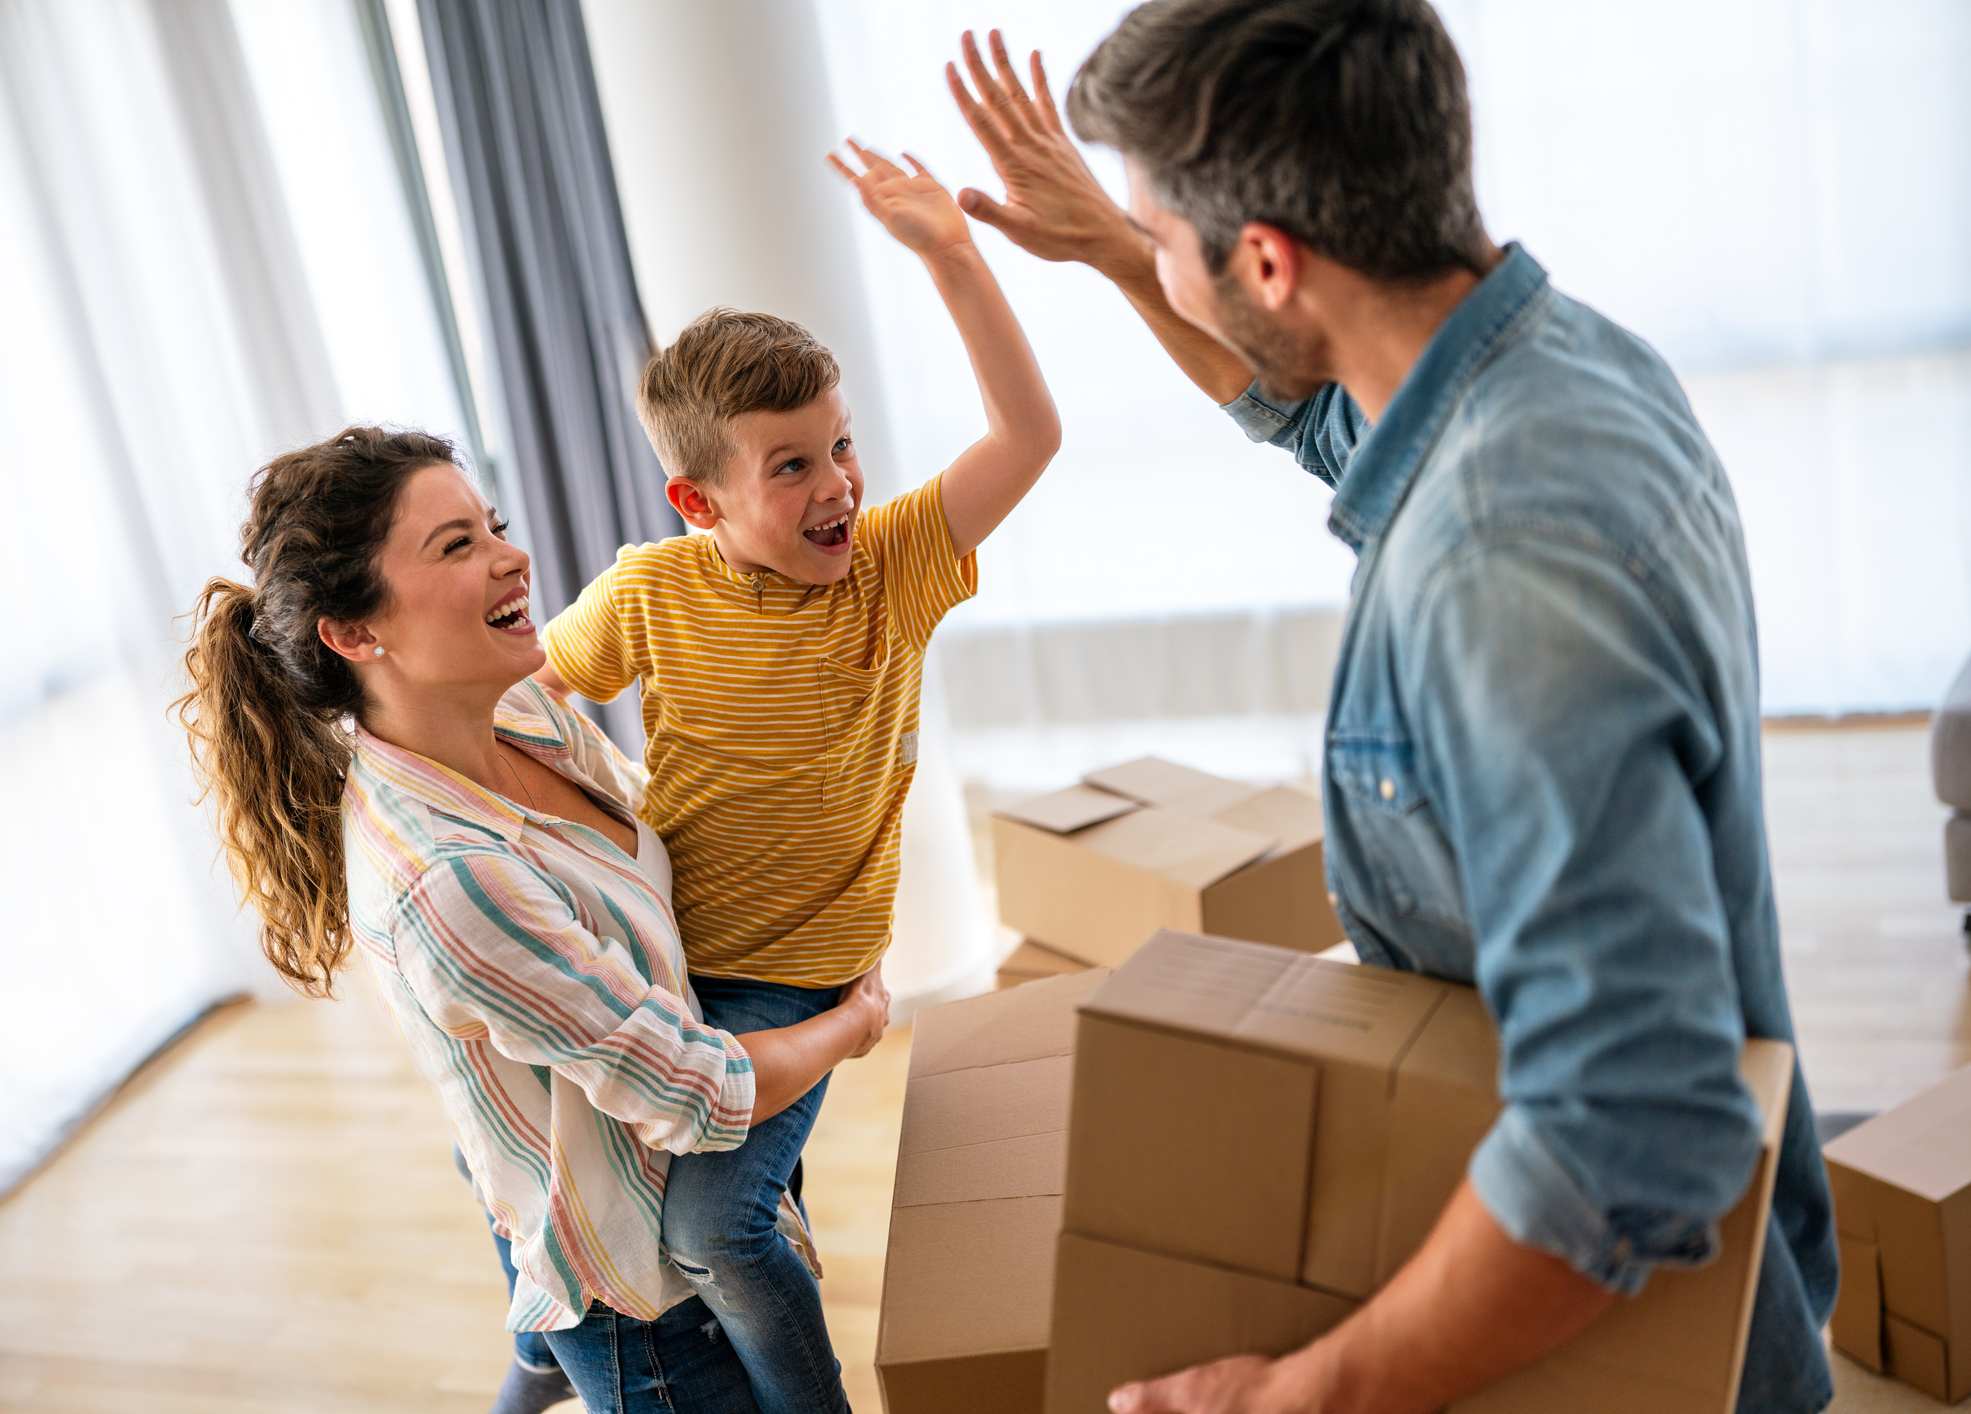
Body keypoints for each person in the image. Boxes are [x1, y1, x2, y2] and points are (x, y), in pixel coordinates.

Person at [941, 6, 1835, 1413]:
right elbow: (1323, 413)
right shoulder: (1552, 363)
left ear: (1271, 262)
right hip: (1657, 1295)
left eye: (1169, 238)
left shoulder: (1505, 563)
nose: (1160, 265)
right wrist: (1130, 253)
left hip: (1639, 1342)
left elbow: (1628, 1126)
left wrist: (1298, 1394)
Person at [176, 428, 891, 1414]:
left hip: (614, 1163)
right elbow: (694, 1092)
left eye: (492, 526)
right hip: (648, 1313)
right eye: (455, 545)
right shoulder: (451, 882)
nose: (511, 556)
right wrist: (850, 1022)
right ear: (353, 632)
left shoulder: (517, 712)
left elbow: (654, 855)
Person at [532, 143, 1060, 1412]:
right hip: (663, 962)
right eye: (790, 465)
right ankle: (538, 1358)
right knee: (603, 1210)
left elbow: (1027, 433)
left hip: (795, 971)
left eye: (839, 447)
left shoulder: (890, 564)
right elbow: (527, 694)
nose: (837, 485)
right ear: (696, 498)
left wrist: (951, 255)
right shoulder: (648, 588)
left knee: (718, 1230)